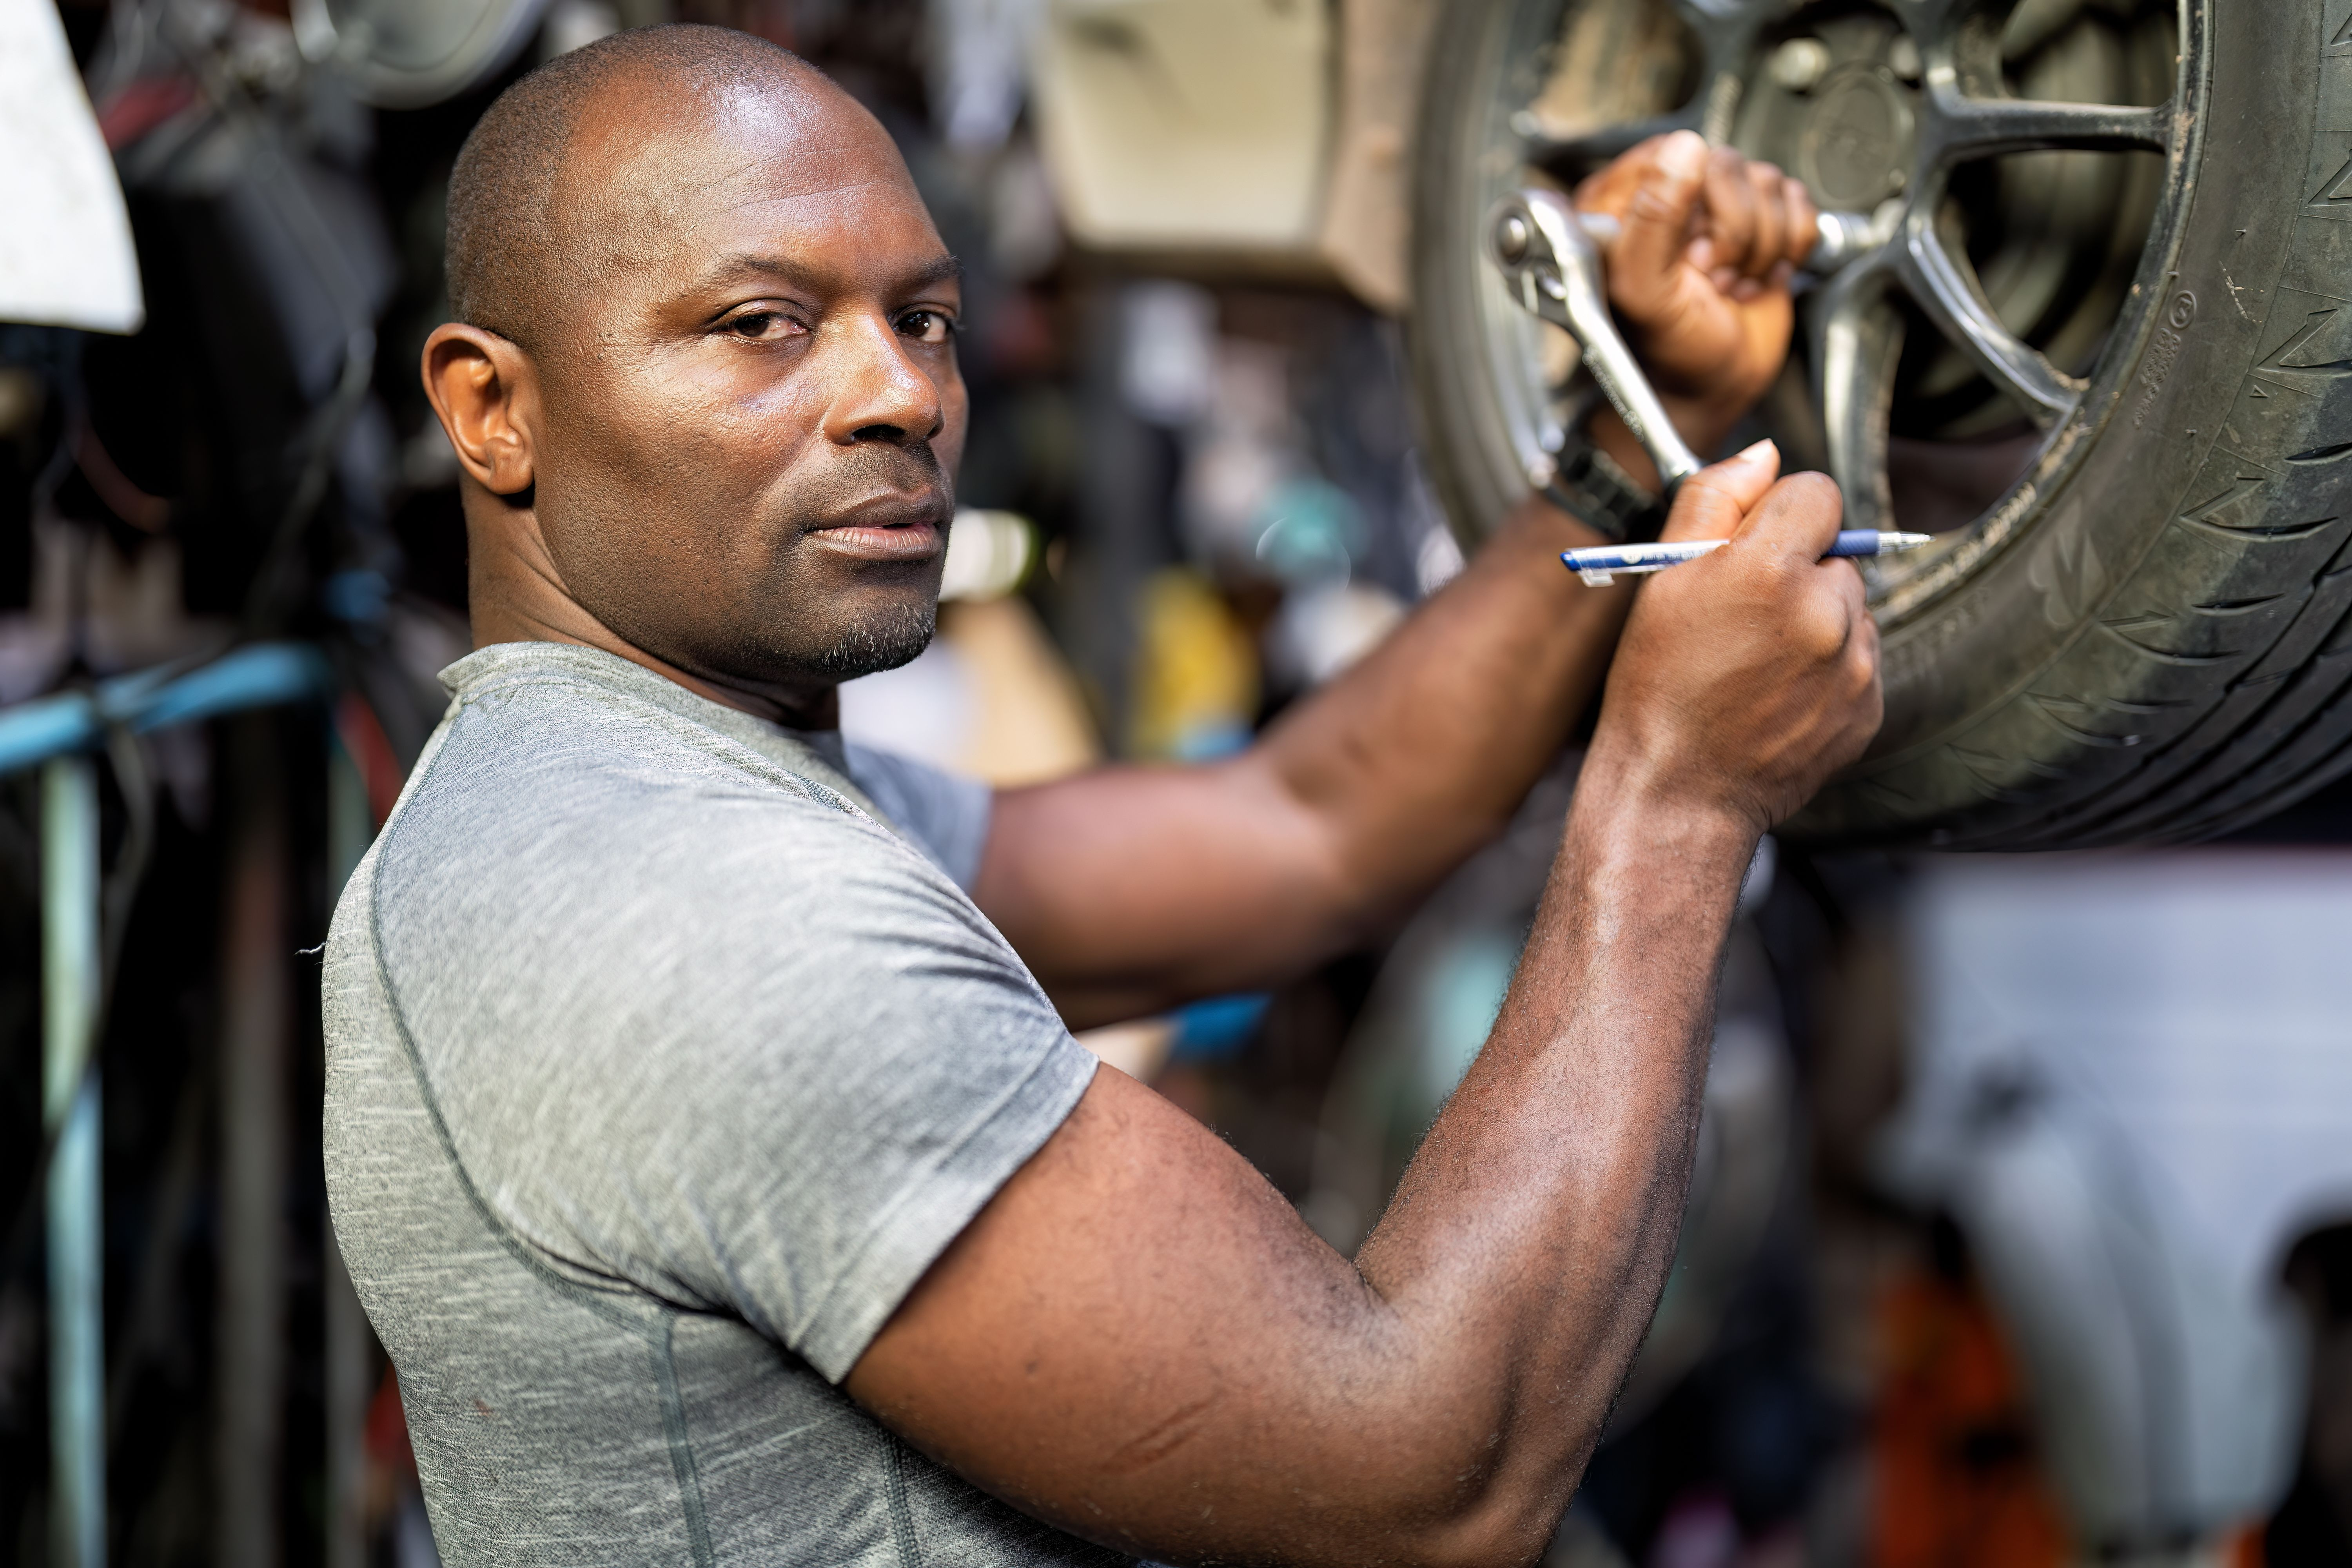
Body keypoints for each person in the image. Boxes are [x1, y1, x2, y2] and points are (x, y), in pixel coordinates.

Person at [323, 24, 1879, 1568]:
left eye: (923, 320)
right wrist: (1679, 797)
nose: (901, 397)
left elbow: (1310, 828)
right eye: (761, 325)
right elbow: (1425, 1481)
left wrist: (1620, 442)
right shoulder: (698, 926)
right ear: (491, 411)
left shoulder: (614, 799)